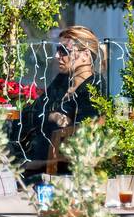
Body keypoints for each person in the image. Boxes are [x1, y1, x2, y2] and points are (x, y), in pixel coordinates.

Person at [18, 25, 103, 177]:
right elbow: (29, 113)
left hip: (62, 169)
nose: (57, 56)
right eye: (58, 50)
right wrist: (53, 116)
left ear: (85, 55)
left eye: (64, 51)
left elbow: (82, 132)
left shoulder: (95, 87)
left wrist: (46, 118)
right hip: (37, 157)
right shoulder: (62, 81)